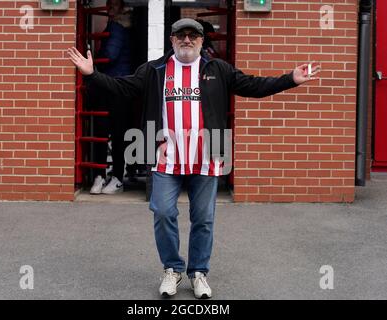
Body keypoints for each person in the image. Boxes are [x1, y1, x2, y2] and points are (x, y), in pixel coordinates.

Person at [67, 18, 320, 299]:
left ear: (201, 40)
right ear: (172, 40)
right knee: (163, 213)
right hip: (165, 158)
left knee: (204, 219)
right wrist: (91, 74)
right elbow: (122, 88)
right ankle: (172, 269)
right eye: (181, 35)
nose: (187, 40)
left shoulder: (217, 69)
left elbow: (253, 85)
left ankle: (198, 272)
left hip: (207, 158)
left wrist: (290, 79)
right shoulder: (154, 70)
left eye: (193, 35)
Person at [89, 0, 133, 194]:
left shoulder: (116, 27)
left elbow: (110, 54)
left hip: (112, 86)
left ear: (121, 8)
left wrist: (92, 55)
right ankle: (113, 177)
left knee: (108, 132)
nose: (108, 7)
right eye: (108, 3)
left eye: (113, 4)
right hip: (116, 86)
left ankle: (106, 176)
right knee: (115, 133)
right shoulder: (123, 28)